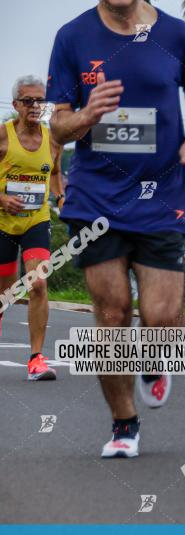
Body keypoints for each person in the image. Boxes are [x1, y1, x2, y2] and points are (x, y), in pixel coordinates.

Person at [47, 0, 185, 457]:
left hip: (161, 196)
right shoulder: (72, 36)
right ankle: (124, 424)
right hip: (95, 195)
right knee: (113, 312)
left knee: (161, 319)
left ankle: (156, 363)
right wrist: (85, 116)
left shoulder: (176, 35)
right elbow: (58, 127)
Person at [0, 75, 64, 381]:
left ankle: (36, 359)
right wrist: (1, 197)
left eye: (41, 100)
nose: (36, 106)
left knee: (38, 284)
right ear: (16, 105)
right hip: (2, 223)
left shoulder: (52, 140)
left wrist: (61, 195)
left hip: (36, 221)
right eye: (28, 101)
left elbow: (56, 172)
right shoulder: (2, 136)